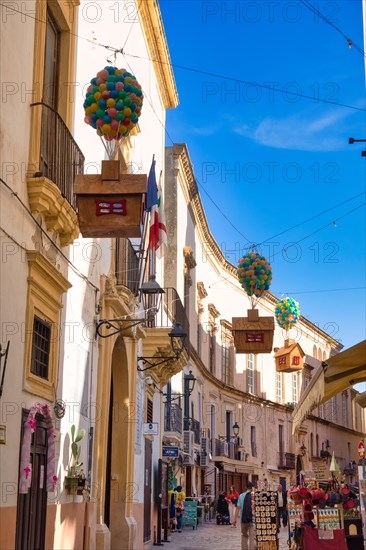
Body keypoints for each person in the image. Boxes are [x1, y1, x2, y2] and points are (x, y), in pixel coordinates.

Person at [233, 482, 257, 550]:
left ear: (246, 487)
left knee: (244, 536)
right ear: (253, 488)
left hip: (243, 520)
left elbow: (238, 508)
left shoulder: (241, 496)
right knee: (252, 537)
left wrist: (234, 519)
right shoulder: (254, 496)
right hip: (252, 519)